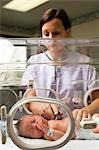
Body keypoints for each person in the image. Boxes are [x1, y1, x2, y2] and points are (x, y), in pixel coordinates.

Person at [21, 8, 99, 122]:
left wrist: (87, 110)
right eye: (46, 34)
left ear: (67, 32)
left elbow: (97, 99)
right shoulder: (34, 63)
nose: (51, 38)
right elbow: (29, 99)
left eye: (56, 33)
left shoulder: (84, 63)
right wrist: (43, 107)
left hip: (74, 123)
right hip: (42, 123)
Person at [15, 114, 99, 141]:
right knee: (96, 129)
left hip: (82, 121)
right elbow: (62, 137)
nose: (35, 125)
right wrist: (47, 130)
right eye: (31, 131)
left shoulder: (49, 120)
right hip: (80, 131)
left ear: (38, 115)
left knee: (96, 115)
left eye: (33, 120)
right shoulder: (47, 134)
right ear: (32, 138)